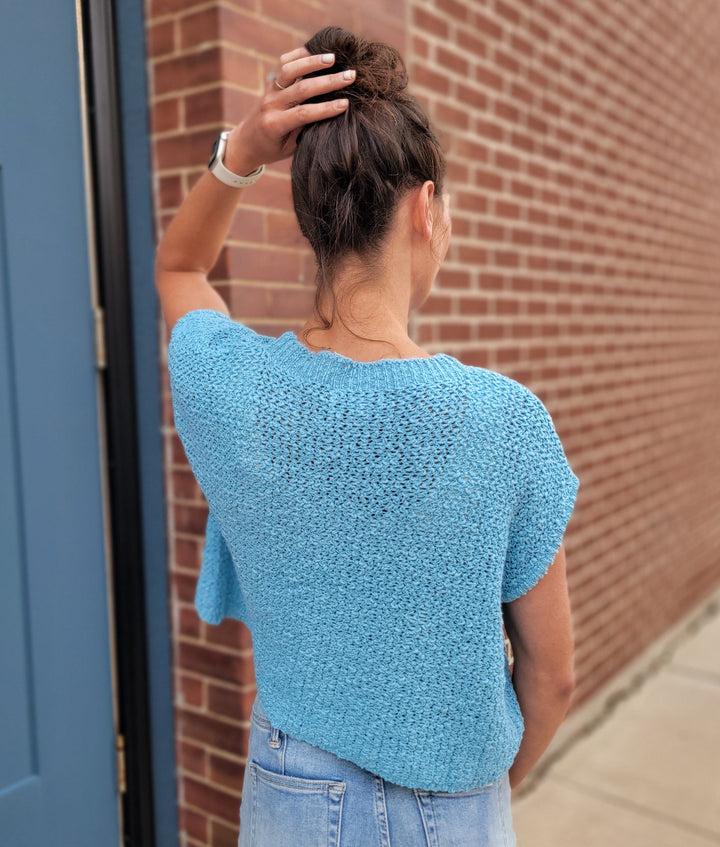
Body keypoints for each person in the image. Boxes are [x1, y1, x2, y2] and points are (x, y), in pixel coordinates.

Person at [156, 25, 580, 847]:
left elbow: (179, 267)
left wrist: (243, 146)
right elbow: (553, 675)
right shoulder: (503, 422)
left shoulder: (230, 382)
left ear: (313, 218)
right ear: (425, 208)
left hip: (287, 792)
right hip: (452, 798)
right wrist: (488, 789)